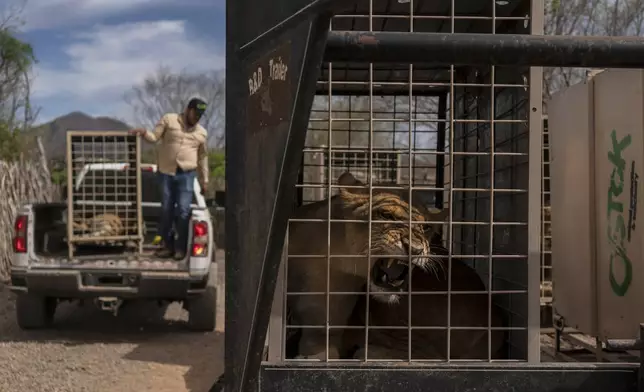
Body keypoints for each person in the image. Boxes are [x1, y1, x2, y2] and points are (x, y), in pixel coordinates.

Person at [130, 97, 209, 260]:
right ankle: (166, 245)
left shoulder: (201, 133)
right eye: (195, 113)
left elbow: (203, 158)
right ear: (189, 109)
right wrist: (144, 133)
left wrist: (205, 179)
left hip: (187, 174)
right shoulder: (169, 120)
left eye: (200, 116)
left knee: (183, 210)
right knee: (166, 209)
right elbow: (154, 137)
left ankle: (180, 248)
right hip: (166, 173)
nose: (197, 118)